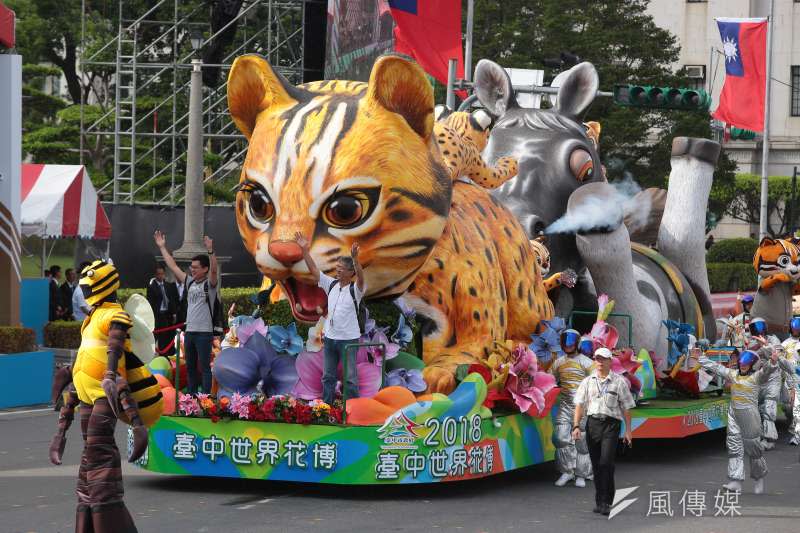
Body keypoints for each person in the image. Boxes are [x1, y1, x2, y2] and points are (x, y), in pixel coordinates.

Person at [50, 259, 162, 532]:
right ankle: (89, 513)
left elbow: (114, 347)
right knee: (90, 451)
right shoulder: (90, 318)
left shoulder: (114, 313)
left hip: (105, 392)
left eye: (89, 283)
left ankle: (106, 515)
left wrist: (110, 375)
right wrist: (70, 378)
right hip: (86, 392)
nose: (84, 288)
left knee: (98, 449)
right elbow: (87, 352)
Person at [696, 347, 779, 493]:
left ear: (753, 365)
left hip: (749, 416)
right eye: (741, 362)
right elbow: (717, 367)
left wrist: (772, 362)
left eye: (747, 363)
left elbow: (767, 371)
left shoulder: (756, 377)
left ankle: (759, 479)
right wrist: (701, 358)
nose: (743, 365)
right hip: (734, 414)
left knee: (754, 450)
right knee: (734, 447)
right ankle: (736, 481)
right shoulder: (733, 375)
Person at [295, 232, 365, 406]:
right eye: (337, 266)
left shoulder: (356, 289)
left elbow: (362, 279)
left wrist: (356, 260)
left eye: (342, 268)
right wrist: (304, 250)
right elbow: (314, 271)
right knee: (327, 377)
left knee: (350, 379)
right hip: (331, 339)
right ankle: (326, 409)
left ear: (351, 272)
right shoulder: (331, 284)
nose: (338, 270)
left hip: (349, 340)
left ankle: (352, 410)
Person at [154, 230, 218, 394]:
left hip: (204, 333)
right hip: (189, 332)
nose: (192, 270)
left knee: (204, 368)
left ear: (204, 269)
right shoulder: (190, 282)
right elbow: (173, 266)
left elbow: (214, 271)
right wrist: (162, 247)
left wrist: (210, 251)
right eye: (191, 267)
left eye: (196, 268)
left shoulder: (210, 285)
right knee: (190, 367)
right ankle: (190, 398)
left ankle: (205, 400)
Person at [573, 347, 635, 516]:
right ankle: (600, 500)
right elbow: (579, 404)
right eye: (597, 359)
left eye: (603, 359)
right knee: (597, 465)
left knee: (606, 463)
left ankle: (608, 500)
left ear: (610, 361)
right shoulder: (587, 381)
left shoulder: (619, 382)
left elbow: (627, 407)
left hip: (611, 425)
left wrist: (628, 431)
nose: (600, 362)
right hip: (593, 424)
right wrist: (576, 426)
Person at [549, 329, 594, 488]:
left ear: (577, 343)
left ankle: (581, 474)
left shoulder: (587, 363)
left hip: (582, 407)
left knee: (581, 442)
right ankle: (567, 471)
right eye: (565, 340)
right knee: (561, 437)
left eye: (571, 340)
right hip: (566, 405)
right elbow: (550, 381)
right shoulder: (558, 363)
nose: (568, 344)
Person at [146, 263, 180, 356]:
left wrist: (174, 313)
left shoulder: (168, 285)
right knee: (156, 336)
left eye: (162, 273)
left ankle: (165, 355)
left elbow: (172, 300)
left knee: (166, 337)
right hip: (157, 315)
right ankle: (153, 354)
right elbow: (150, 303)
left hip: (167, 315)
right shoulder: (151, 287)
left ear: (164, 274)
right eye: (158, 274)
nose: (160, 276)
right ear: (155, 275)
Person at [781, 318, 800, 445]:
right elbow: (780, 361)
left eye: (798, 329)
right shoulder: (785, 344)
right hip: (789, 379)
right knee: (789, 407)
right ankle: (793, 427)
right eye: (794, 329)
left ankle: (796, 435)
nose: (796, 331)